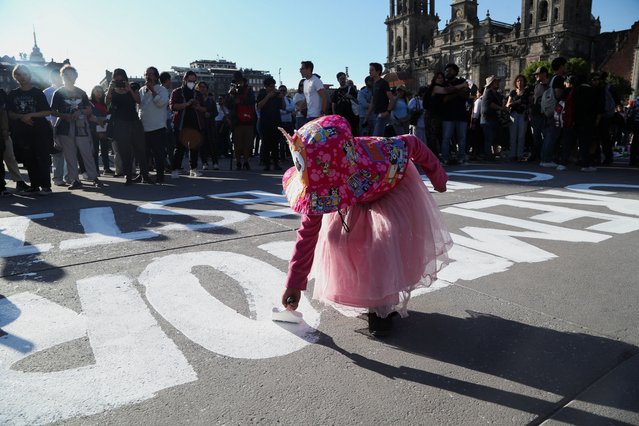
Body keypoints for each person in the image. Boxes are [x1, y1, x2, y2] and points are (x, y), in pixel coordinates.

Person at [278, 115, 452, 337]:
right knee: (334, 238)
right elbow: (308, 234)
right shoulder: (319, 179)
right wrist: (294, 282)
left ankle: (382, 307)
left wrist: (439, 178)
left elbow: (414, 143)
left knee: (383, 240)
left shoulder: (382, 150)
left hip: (389, 188)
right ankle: (368, 292)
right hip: (355, 198)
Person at [50, 65, 103, 189]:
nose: (69, 77)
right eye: (66, 75)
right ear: (62, 76)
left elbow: (89, 109)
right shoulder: (58, 93)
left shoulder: (81, 92)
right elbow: (51, 111)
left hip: (81, 126)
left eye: (72, 75)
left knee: (87, 153)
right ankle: (74, 179)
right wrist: (63, 115)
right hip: (64, 127)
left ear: (76, 77)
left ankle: (94, 177)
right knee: (70, 155)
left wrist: (81, 112)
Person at [6, 64, 53, 194]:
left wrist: (30, 115)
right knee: (29, 159)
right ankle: (34, 185)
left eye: (24, 74)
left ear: (30, 75)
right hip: (22, 133)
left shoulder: (38, 92)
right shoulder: (13, 94)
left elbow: (46, 112)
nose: (22, 77)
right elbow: (10, 114)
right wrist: (22, 117)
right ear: (15, 77)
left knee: (42, 157)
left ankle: (46, 186)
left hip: (40, 131)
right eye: (19, 75)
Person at [106, 68, 149, 185]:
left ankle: (144, 175)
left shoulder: (132, 87)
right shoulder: (113, 90)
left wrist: (129, 89)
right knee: (124, 151)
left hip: (134, 121)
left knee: (140, 149)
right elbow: (107, 103)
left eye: (122, 79)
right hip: (120, 123)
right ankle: (128, 176)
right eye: (117, 79)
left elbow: (138, 100)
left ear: (125, 78)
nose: (120, 81)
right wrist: (110, 88)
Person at [169, 70, 206, 178]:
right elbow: (172, 106)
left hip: (195, 123)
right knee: (179, 148)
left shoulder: (198, 94)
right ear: (184, 80)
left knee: (194, 147)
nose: (192, 83)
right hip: (181, 124)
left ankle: (193, 169)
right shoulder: (176, 92)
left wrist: (197, 106)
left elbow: (204, 108)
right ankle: (175, 169)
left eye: (194, 81)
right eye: (190, 80)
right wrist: (187, 104)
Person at [139, 66, 169, 182]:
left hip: (158, 127)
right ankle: (144, 174)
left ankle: (160, 175)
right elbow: (141, 107)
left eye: (151, 74)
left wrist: (152, 90)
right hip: (144, 127)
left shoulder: (162, 90)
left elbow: (161, 103)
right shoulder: (142, 90)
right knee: (144, 154)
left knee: (158, 154)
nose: (148, 76)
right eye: (146, 74)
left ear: (156, 77)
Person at [540, 57, 568, 167]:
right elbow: (558, 94)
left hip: (549, 110)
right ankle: (546, 160)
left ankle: (545, 158)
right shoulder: (559, 79)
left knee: (549, 135)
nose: (566, 67)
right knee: (552, 135)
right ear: (561, 66)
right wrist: (566, 90)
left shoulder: (552, 78)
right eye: (565, 65)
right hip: (556, 111)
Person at [440, 63, 470, 165]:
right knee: (446, 138)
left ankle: (461, 158)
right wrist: (458, 90)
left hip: (461, 115)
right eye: (446, 71)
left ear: (456, 72)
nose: (447, 72)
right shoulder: (443, 84)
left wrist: (452, 90)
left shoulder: (462, 81)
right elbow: (444, 99)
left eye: (450, 70)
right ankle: (445, 158)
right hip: (447, 115)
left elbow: (465, 95)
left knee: (462, 138)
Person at [43, 67, 67, 187]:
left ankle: (69, 176)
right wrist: (48, 123)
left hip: (68, 124)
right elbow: (44, 110)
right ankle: (58, 177)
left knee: (70, 151)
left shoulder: (69, 90)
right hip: (53, 125)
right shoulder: (47, 92)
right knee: (57, 152)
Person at [229, 72, 255, 170]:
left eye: (240, 81)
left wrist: (240, 101)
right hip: (237, 121)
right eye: (237, 82)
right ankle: (238, 161)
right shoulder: (232, 90)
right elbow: (228, 104)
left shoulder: (249, 90)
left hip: (248, 120)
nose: (238, 83)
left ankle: (246, 161)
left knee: (247, 144)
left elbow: (252, 100)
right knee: (237, 143)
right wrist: (231, 95)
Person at [506, 74, 532, 162]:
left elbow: (530, 103)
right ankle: (512, 154)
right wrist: (512, 104)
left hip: (523, 114)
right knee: (513, 136)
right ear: (515, 82)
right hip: (513, 114)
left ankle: (519, 155)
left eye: (521, 80)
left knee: (521, 136)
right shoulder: (513, 92)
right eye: (518, 81)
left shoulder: (527, 92)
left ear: (524, 82)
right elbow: (508, 104)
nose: (520, 82)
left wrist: (529, 114)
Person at [481, 75, 508, 160]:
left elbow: (502, 103)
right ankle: (488, 156)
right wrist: (501, 108)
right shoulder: (488, 91)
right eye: (496, 81)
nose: (498, 83)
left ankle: (491, 154)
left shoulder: (497, 93)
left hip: (493, 119)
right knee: (488, 139)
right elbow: (490, 104)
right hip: (487, 119)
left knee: (492, 138)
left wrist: (504, 103)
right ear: (491, 83)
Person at [89, 85, 112, 175]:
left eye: (100, 91)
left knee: (105, 149)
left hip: (104, 127)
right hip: (93, 128)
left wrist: (105, 120)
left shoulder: (105, 103)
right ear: (93, 92)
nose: (98, 93)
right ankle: (96, 169)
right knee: (94, 149)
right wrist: (98, 120)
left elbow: (108, 114)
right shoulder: (90, 102)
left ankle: (107, 168)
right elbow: (89, 115)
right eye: (96, 91)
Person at [197, 82, 219, 171]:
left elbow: (215, 112)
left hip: (210, 124)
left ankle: (215, 162)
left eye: (204, 87)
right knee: (202, 145)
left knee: (212, 144)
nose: (202, 89)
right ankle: (204, 162)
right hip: (200, 124)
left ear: (207, 88)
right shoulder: (196, 100)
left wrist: (209, 114)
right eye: (200, 87)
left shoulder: (211, 100)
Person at [530, 66, 550, 163]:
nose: (536, 76)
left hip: (546, 115)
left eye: (538, 74)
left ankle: (545, 156)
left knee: (546, 136)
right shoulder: (536, 86)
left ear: (544, 74)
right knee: (536, 137)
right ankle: (536, 155)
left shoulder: (550, 85)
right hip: (536, 115)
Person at [331, 72, 359, 136]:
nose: (343, 80)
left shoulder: (351, 89)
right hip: (340, 117)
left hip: (351, 116)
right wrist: (334, 115)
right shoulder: (336, 92)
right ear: (338, 80)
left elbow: (358, 102)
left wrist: (351, 97)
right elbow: (333, 104)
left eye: (344, 78)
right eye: (341, 79)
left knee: (352, 133)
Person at [278, 84, 295, 161]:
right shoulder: (277, 100)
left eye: (284, 90)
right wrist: (287, 111)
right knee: (281, 141)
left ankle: (289, 155)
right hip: (281, 123)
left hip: (289, 122)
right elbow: (279, 111)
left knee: (290, 140)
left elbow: (292, 108)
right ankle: (282, 157)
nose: (282, 92)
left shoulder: (289, 99)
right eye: (281, 90)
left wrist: (285, 110)